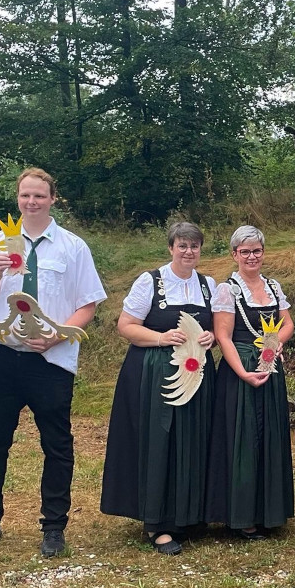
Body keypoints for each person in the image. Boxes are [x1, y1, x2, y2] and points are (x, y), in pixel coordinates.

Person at [0, 168, 106, 558]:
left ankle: (54, 526)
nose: (31, 202)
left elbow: (87, 304)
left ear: (53, 198)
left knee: (57, 444)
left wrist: (57, 335)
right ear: (17, 198)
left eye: (39, 196)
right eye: (25, 196)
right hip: (3, 358)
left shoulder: (73, 247)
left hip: (51, 360)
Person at [101, 222, 218, 555]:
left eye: (194, 246)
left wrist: (208, 339)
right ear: (170, 248)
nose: (188, 251)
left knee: (193, 439)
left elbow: (212, 330)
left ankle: (189, 514)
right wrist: (161, 338)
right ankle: (158, 523)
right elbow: (126, 326)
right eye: (182, 245)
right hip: (154, 375)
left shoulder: (208, 285)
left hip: (196, 374)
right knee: (160, 442)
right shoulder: (149, 282)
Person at [208, 226, 295, 538]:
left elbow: (288, 324)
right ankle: (242, 514)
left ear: (263, 252)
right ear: (234, 255)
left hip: (268, 364)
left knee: (268, 434)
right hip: (239, 370)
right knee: (242, 438)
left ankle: (268, 511)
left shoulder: (272, 286)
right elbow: (223, 336)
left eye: (256, 250)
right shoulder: (227, 290)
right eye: (244, 251)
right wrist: (242, 372)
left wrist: (272, 346)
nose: (251, 256)